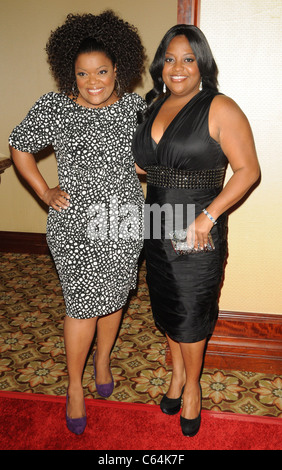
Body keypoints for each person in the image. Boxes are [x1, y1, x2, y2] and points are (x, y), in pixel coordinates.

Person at [9, 10, 146, 435]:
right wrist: (44, 192)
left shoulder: (135, 109)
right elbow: (19, 146)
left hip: (123, 219)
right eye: (83, 73)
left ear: (117, 68)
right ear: (70, 73)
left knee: (115, 294)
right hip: (74, 227)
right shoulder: (54, 107)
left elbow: (146, 161)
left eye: (102, 71)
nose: (93, 81)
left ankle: (102, 359)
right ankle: (73, 386)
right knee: (82, 303)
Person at [132, 24, 260, 437]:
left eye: (188, 59)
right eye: (170, 59)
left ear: (202, 64)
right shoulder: (151, 106)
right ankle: (176, 375)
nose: (178, 67)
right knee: (169, 309)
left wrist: (209, 215)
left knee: (191, 314)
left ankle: (192, 388)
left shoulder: (219, 107)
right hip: (156, 226)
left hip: (196, 232)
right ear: (160, 65)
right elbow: (143, 166)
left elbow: (248, 171)